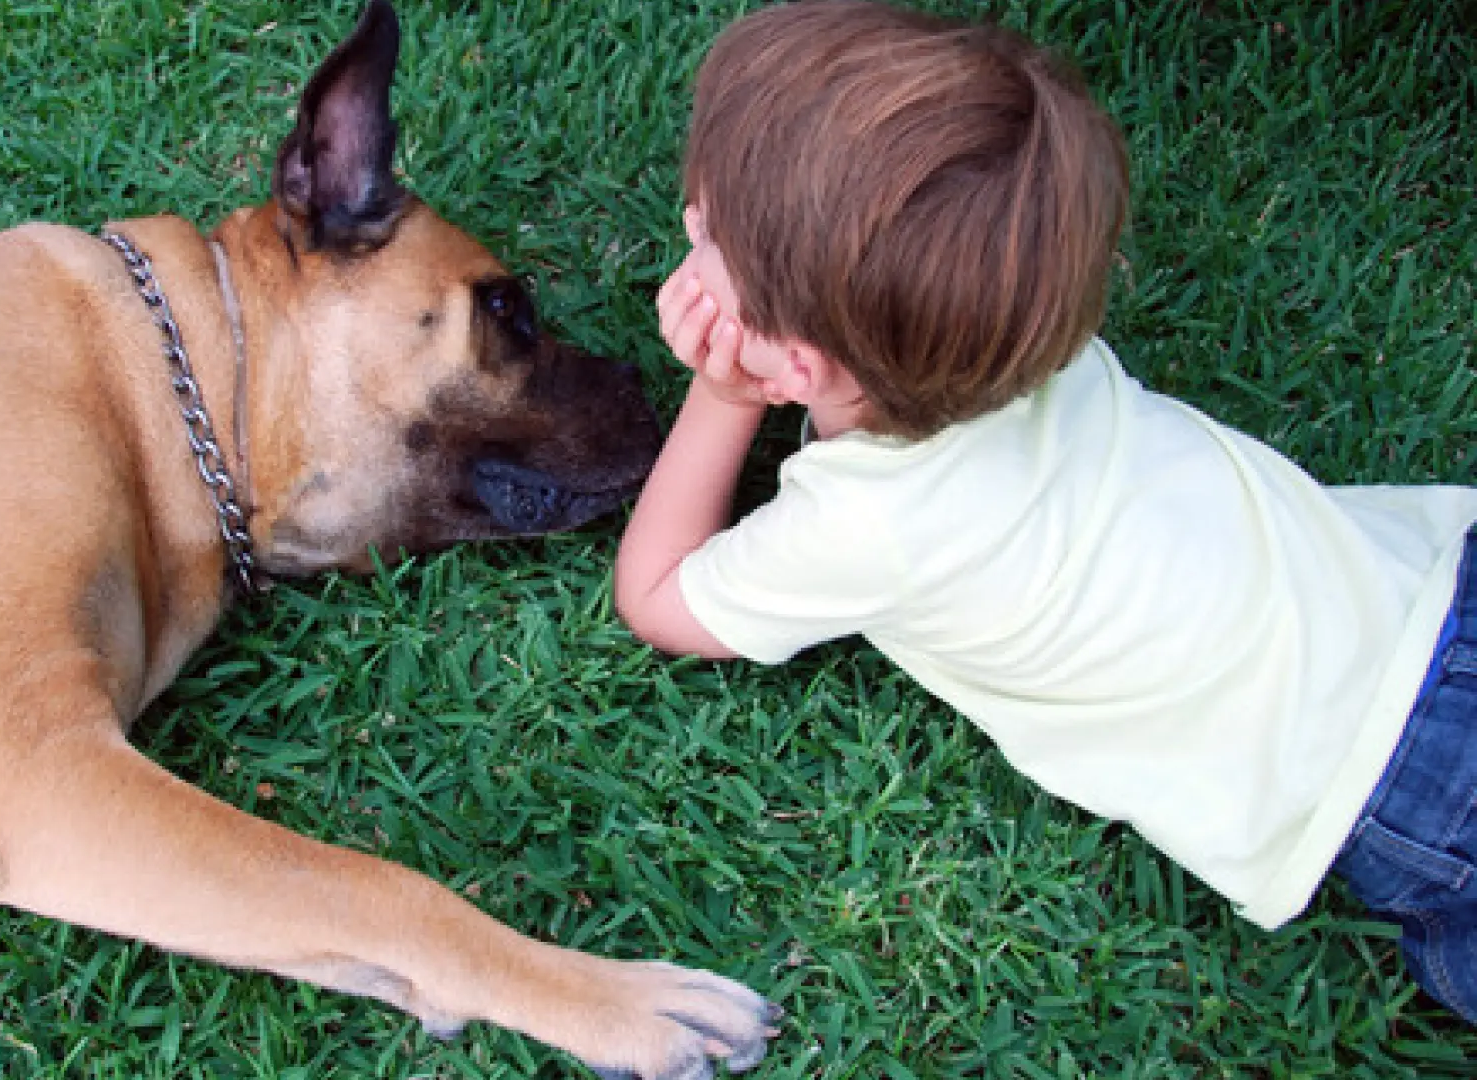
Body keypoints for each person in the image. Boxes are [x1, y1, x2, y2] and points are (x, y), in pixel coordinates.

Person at [613, 0, 1477, 1022]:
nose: (685, 225)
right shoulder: (1030, 342)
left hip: (1406, 792)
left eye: (702, 228)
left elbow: (657, 597)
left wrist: (721, 394)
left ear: (795, 364)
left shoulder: (872, 527)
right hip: (1433, 593)